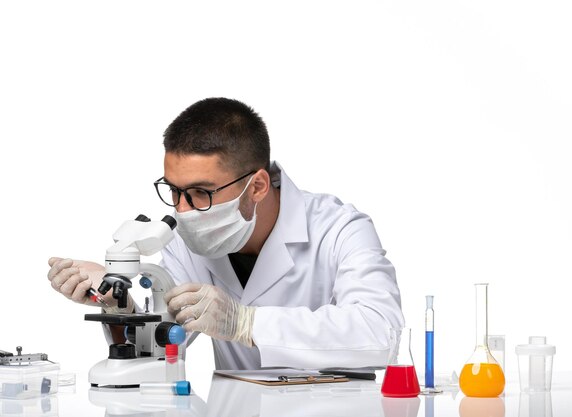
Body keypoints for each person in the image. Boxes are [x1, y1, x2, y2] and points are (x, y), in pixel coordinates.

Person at [47, 98, 404, 370]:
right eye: (174, 191)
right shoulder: (189, 241)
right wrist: (117, 302)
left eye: (202, 192)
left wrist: (247, 323)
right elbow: (165, 350)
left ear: (258, 186)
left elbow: (380, 333)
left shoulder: (339, 229)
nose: (183, 211)